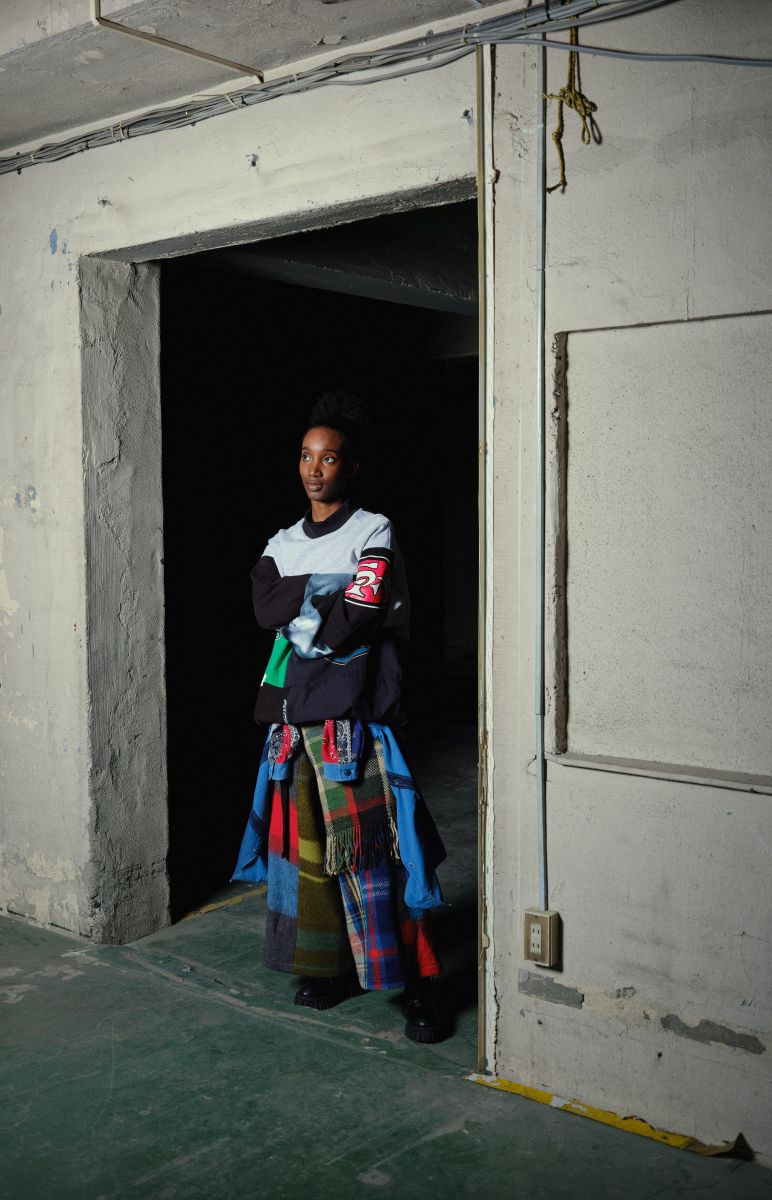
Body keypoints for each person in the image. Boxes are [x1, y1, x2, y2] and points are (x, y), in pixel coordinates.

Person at [232, 391, 446, 1043]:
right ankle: (336, 969)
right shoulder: (283, 540)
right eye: (305, 456)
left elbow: (363, 608)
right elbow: (265, 608)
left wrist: (306, 600)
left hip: (357, 717)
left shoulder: (373, 531)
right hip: (296, 721)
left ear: (350, 466)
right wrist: (326, 589)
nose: (313, 469)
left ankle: (422, 986)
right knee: (312, 856)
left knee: (383, 853)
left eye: (328, 458)